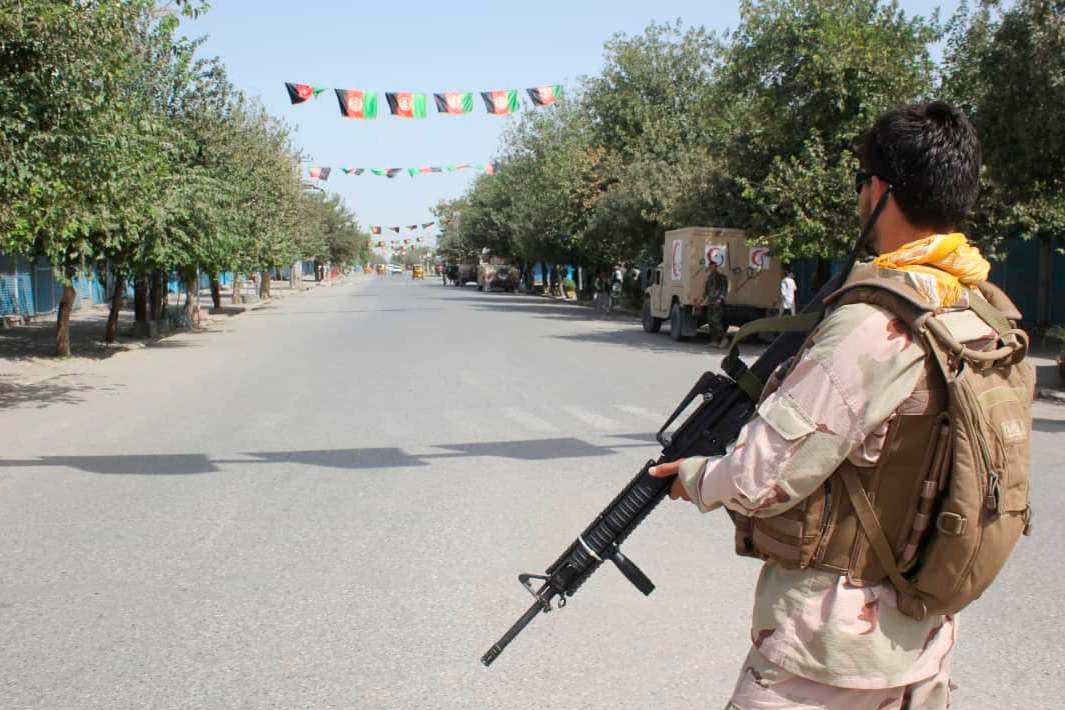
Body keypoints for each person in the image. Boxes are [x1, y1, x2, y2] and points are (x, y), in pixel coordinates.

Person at [650, 102, 996, 709]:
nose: (860, 197)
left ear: (881, 191)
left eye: (862, 182)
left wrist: (694, 478)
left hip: (831, 652)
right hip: (924, 633)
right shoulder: (974, 307)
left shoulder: (875, 323)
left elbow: (762, 477)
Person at [703, 260, 729, 347]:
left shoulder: (721, 277)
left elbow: (724, 290)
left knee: (716, 321)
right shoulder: (709, 277)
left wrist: (720, 299)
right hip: (710, 302)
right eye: (710, 266)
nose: (711, 268)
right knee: (711, 321)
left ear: (716, 266)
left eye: (713, 266)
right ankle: (714, 341)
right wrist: (701, 301)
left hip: (717, 302)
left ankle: (724, 339)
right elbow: (706, 291)